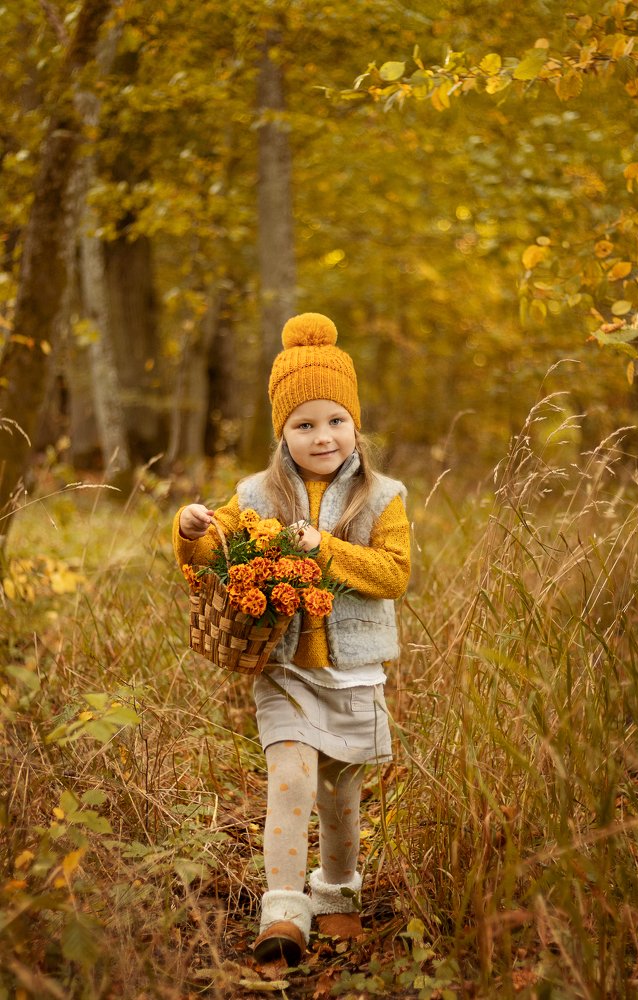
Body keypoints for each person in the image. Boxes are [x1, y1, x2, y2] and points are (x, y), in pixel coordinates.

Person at [173, 312, 410, 965]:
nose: (322, 436)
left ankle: (336, 896)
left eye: (335, 420)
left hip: (354, 673)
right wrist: (192, 528)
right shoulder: (257, 492)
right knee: (290, 779)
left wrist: (326, 550)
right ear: (282, 430)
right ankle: (283, 908)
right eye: (303, 424)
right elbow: (212, 549)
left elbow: (394, 574)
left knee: (340, 797)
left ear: (354, 422)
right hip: (284, 672)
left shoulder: (383, 498)